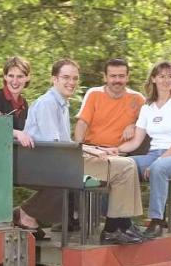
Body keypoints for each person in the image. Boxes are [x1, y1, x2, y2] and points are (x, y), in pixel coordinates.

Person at [24, 58, 144, 244]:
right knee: (125, 168)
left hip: (63, 159)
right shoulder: (48, 104)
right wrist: (91, 150)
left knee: (128, 164)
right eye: (65, 77)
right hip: (55, 166)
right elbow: (55, 147)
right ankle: (114, 228)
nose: (71, 82)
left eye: (74, 78)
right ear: (54, 79)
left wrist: (91, 149)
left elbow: (63, 143)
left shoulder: (61, 103)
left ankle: (121, 225)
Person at [119, 62, 171, 238]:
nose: (166, 80)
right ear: (153, 79)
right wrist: (114, 151)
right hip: (154, 154)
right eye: (162, 76)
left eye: (170, 76)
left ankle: (156, 221)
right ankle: (123, 220)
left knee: (158, 168)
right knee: (123, 165)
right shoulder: (147, 107)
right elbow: (135, 142)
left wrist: (159, 161)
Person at [74, 58, 145, 151]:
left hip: (120, 153)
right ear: (105, 77)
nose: (117, 80)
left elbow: (151, 124)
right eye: (113, 76)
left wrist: (134, 126)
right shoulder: (94, 94)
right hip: (93, 150)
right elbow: (82, 123)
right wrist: (78, 150)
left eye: (121, 76)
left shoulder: (138, 98)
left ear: (127, 77)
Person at [0, 55, 35, 148]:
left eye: (20, 76)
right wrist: (17, 133)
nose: (15, 81)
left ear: (27, 78)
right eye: (11, 76)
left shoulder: (24, 104)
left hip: (14, 157)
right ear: (5, 77)